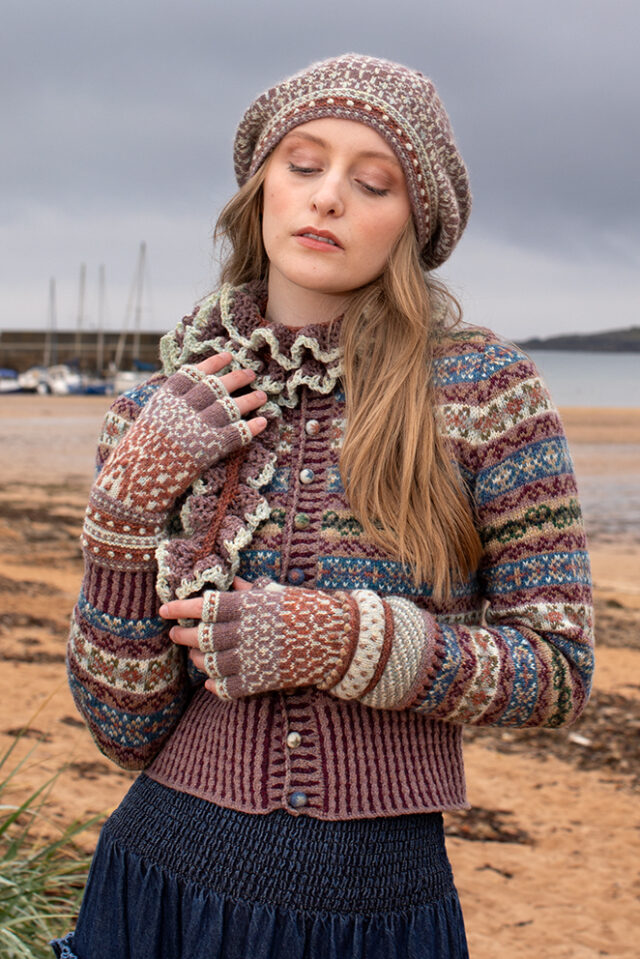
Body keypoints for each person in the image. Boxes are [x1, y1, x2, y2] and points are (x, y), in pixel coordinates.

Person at [52, 54, 594, 959]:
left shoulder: (486, 393)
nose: (328, 197)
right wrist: (119, 515)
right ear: (261, 186)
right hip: (155, 889)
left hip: (378, 912)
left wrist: (350, 641)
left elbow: (559, 672)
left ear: (414, 225)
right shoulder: (165, 405)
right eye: (303, 165)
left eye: (372, 181)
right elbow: (124, 726)